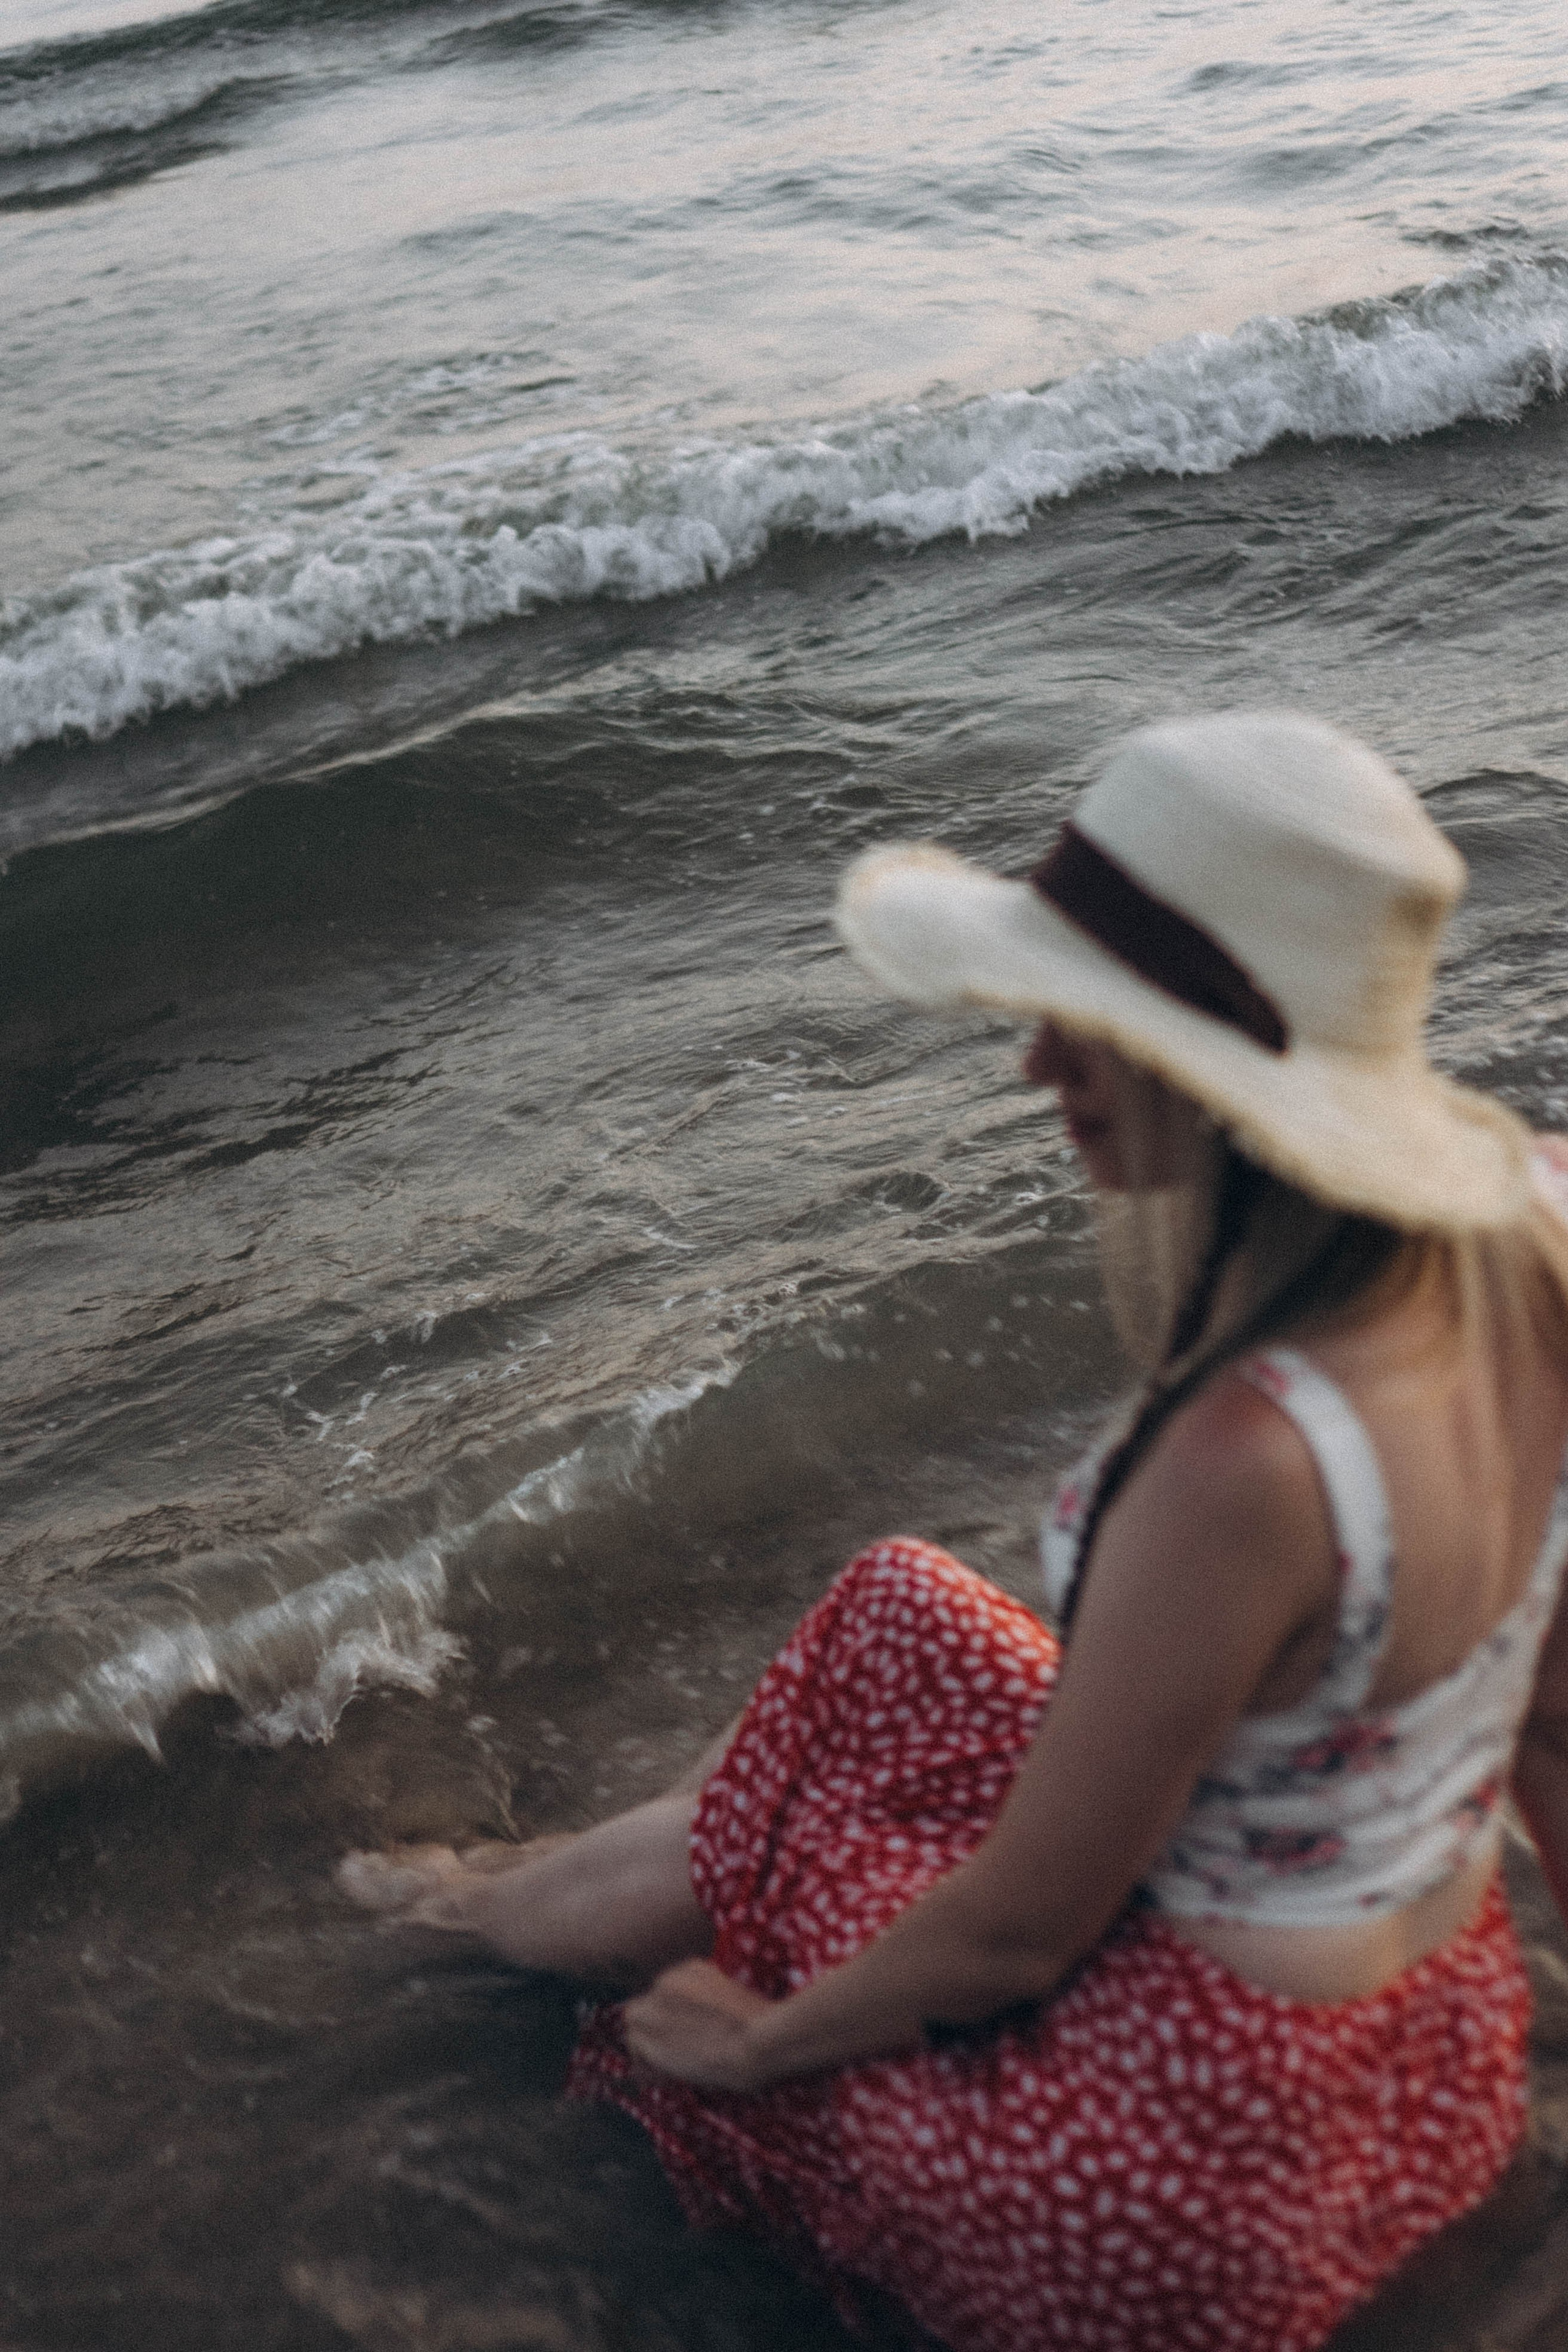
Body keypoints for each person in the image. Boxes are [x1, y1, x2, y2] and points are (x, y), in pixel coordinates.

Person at [341, 712, 1568, 2352]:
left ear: (1221, 1071)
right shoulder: (1534, 1237)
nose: (1036, 1064)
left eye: (1090, 1023)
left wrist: (756, 2042)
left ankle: (481, 1914)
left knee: (778, 1855)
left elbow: (1015, 1936)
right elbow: (1554, 1718)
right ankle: (513, 1890)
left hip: (1181, 2172)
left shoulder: (1246, 1462)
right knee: (901, 1610)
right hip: (1433, 2065)